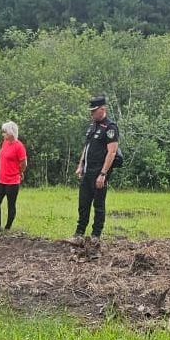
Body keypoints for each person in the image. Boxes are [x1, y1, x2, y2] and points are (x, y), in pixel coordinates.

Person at [74, 95, 119, 251]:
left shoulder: (110, 127)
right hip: (87, 171)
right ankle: (79, 233)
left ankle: (96, 235)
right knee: (83, 203)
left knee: (98, 204)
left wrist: (103, 174)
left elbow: (112, 152)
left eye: (94, 111)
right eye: (91, 111)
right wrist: (80, 165)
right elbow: (86, 147)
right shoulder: (92, 126)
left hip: (99, 172)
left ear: (102, 109)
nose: (92, 114)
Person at [0, 120, 27, 232]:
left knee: (11, 205)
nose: (3, 134)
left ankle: (7, 228)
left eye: (5, 132)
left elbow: (24, 163)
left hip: (12, 180)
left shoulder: (19, 146)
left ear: (11, 133)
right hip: (1, 179)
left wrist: (20, 172)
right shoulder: (5, 142)